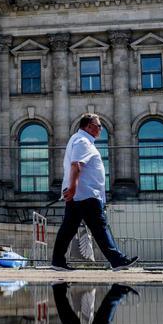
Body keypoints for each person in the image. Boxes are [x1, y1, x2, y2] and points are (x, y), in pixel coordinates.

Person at [50, 113, 139, 272]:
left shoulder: (78, 139)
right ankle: (117, 260)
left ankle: (58, 260)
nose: (101, 129)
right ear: (88, 126)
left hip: (81, 193)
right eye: (98, 126)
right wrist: (73, 188)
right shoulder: (83, 141)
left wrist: (72, 189)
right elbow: (76, 165)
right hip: (86, 194)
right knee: (99, 226)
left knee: (69, 227)